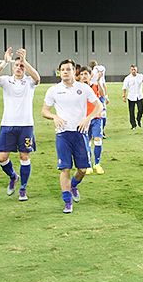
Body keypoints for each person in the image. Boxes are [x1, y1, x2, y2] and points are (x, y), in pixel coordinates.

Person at [41, 59, 102, 213]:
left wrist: (88, 118)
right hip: (63, 135)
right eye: (62, 70)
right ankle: (67, 202)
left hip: (80, 133)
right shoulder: (53, 90)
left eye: (68, 69)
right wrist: (54, 117)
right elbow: (44, 111)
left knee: (82, 169)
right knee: (65, 168)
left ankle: (73, 185)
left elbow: (99, 105)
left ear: (74, 71)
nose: (65, 72)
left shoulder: (84, 88)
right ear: (59, 72)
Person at [0, 48, 40, 201]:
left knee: (25, 156)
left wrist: (26, 61)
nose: (19, 68)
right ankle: (13, 176)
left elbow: (37, 78)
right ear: (13, 67)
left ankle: (23, 189)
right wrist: (4, 62)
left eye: (21, 66)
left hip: (26, 126)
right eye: (16, 65)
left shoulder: (29, 82)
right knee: (2, 157)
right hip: (7, 125)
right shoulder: (5, 80)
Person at [77, 67, 105, 174]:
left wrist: (99, 81)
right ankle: (88, 164)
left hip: (96, 118)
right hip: (84, 120)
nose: (84, 76)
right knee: (86, 143)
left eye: (86, 74)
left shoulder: (95, 87)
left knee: (97, 139)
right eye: (82, 74)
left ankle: (97, 163)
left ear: (90, 75)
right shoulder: (78, 89)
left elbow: (102, 94)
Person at [122, 65, 143, 129]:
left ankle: (139, 119)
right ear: (130, 70)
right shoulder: (128, 78)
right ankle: (133, 125)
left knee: (141, 110)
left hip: (139, 96)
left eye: (135, 69)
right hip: (131, 96)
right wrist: (123, 96)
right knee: (131, 111)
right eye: (132, 70)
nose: (133, 71)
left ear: (137, 70)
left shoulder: (140, 76)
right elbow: (124, 87)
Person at [88, 60, 108, 137]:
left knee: (103, 113)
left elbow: (103, 84)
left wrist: (106, 96)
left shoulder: (100, 74)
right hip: (93, 93)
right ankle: (94, 130)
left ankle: (101, 130)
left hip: (99, 93)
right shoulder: (90, 73)